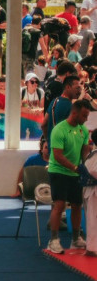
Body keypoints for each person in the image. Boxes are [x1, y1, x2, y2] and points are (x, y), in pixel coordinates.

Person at [46, 100, 93, 254]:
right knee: (59, 205)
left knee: (77, 205)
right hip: (59, 171)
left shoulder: (83, 130)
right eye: (84, 115)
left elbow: (85, 151)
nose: (86, 119)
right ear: (75, 113)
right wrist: (75, 167)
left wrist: (87, 166)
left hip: (75, 172)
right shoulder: (59, 130)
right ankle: (53, 240)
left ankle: (76, 238)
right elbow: (57, 156)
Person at [82, 129, 97, 257]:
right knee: (93, 219)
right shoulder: (94, 156)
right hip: (93, 191)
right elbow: (93, 172)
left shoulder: (91, 155)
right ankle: (92, 248)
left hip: (91, 191)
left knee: (93, 218)